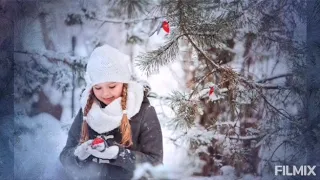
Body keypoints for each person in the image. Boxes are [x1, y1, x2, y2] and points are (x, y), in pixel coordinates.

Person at [59, 44, 163, 180]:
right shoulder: (86, 111)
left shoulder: (143, 111)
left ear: (124, 82)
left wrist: (119, 155)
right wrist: (78, 156)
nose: (105, 93)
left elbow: (156, 164)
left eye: (112, 86)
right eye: (98, 87)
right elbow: (65, 156)